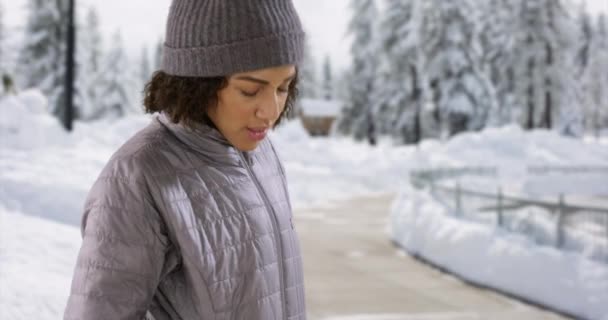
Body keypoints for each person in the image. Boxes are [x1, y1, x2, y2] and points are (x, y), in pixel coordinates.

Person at [63, 0, 307, 319]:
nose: (271, 112)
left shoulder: (262, 154)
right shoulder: (139, 177)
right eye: (250, 91)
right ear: (197, 82)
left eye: (283, 88)